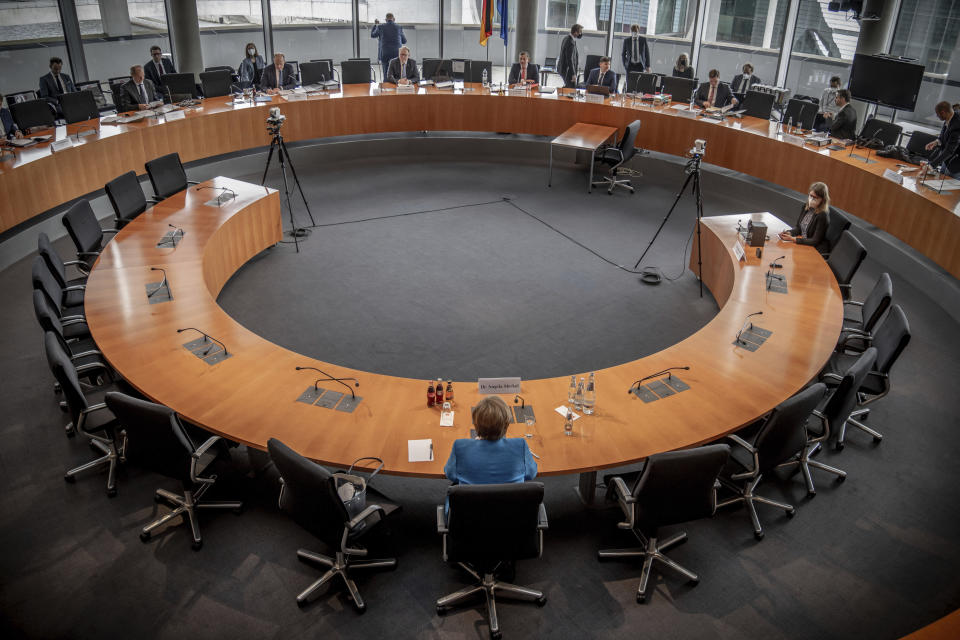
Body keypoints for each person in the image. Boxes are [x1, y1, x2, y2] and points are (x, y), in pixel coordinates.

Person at [444, 396, 537, 488]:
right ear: (507, 424)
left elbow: (451, 475)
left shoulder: (460, 447)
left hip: (470, 502)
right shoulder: (520, 445)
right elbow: (530, 474)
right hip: (511, 502)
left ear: (476, 425)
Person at [778, 182, 832, 255]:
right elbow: (799, 228)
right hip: (804, 242)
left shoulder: (822, 215)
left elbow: (815, 241)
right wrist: (789, 233)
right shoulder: (806, 207)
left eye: (815, 197)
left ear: (822, 200)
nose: (811, 199)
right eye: (810, 196)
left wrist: (792, 239)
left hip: (815, 249)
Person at [923, 100, 960, 178]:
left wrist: (932, 165)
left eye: (937, 114)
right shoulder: (949, 116)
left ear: (943, 112)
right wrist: (936, 142)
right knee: (939, 180)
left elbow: (950, 150)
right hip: (946, 159)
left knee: (948, 187)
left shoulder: (957, 126)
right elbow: (944, 134)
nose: (937, 116)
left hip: (955, 163)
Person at [371, 13, 407, 79]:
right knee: (397, 74)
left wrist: (375, 25)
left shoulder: (380, 27)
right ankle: (396, 88)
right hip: (397, 54)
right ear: (394, 19)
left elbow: (373, 35)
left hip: (385, 54)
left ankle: (386, 87)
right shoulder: (399, 27)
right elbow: (404, 41)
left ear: (386, 20)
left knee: (386, 74)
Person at [557, 23, 583, 89]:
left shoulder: (566, 38)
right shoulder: (570, 42)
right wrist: (573, 74)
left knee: (568, 88)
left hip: (564, 69)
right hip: (568, 71)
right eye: (580, 32)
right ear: (575, 32)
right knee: (571, 89)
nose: (580, 34)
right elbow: (569, 59)